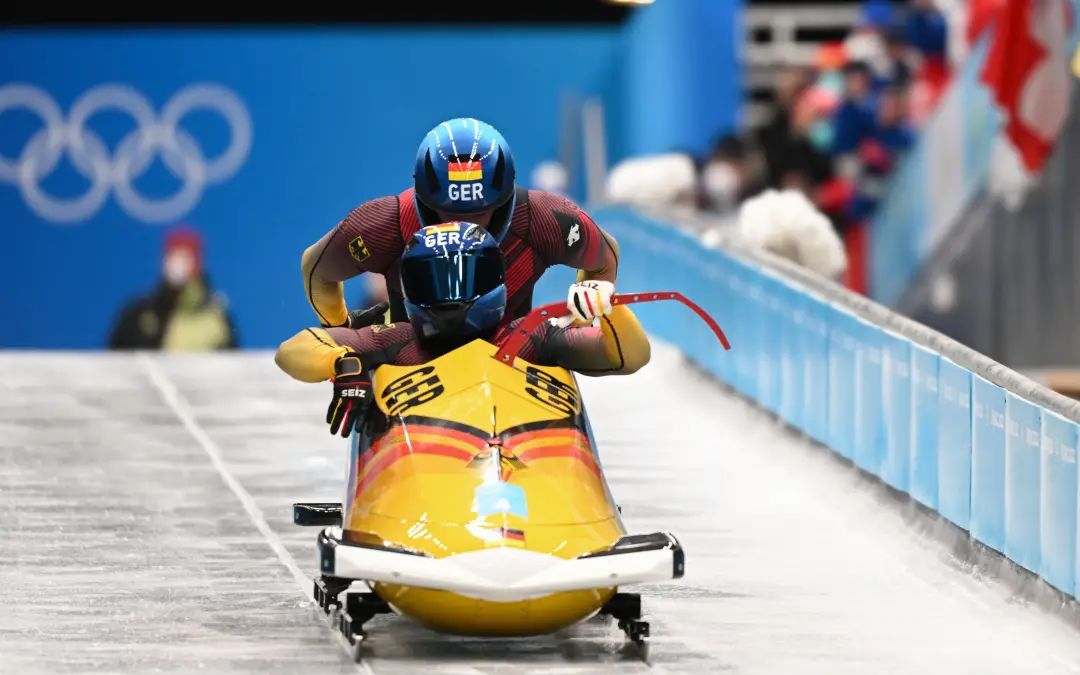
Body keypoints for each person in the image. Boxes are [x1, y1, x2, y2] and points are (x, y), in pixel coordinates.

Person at [276, 223, 650, 437]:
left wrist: (609, 308)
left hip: (530, 458)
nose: (451, 297)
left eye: (465, 279)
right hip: (422, 466)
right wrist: (344, 364)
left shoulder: (530, 336)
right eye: (434, 281)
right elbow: (293, 350)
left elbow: (629, 355)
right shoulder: (398, 340)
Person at [302, 117, 620, 334]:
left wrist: (584, 315)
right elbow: (318, 268)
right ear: (425, 202)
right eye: (450, 213)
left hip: (515, 362)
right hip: (411, 364)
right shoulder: (385, 222)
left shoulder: (543, 218)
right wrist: (339, 333)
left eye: (479, 212)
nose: (465, 227)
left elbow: (604, 258)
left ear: (504, 201)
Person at [109, 226, 238, 350]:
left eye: (186, 257)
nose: (178, 264)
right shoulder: (138, 314)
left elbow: (233, 365)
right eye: (172, 255)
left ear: (198, 263)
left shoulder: (217, 318)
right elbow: (114, 363)